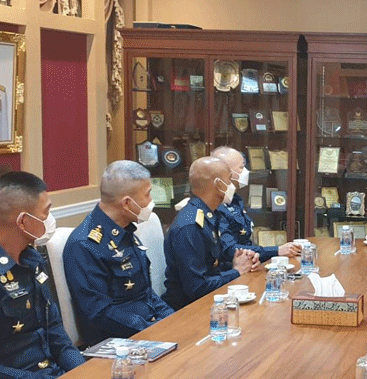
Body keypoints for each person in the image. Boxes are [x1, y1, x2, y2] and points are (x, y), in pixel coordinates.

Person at [62, 161, 174, 345]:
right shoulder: (85, 245)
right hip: (119, 343)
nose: (151, 200)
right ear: (127, 203)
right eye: (147, 194)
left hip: (148, 329)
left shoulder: (125, 229)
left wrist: (172, 319)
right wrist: (153, 329)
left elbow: (146, 294)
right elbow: (100, 313)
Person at [0, 171, 84, 379]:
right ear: (23, 221)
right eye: (45, 212)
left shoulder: (33, 260)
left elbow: (54, 331)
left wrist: (82, 373)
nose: (49, 219)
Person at [162, 157, 261, 310]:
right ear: (219, 184)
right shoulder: (190, 226)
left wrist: (240, 262)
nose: (232, 185)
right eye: (229, 180)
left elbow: (212, 266)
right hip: (188, 310)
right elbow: (197, 288)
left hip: (211, 301)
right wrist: (237, 271)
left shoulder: (209, 215)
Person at [210, 146, 300, 263]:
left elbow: (245, 241)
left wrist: (258, 256)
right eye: (241, 167)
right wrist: (276, 250)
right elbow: (230, 250)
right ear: (226, 172)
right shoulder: (216, 204)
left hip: (247, 264)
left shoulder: (235, 200)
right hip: (232, 269)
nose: (246, 172)